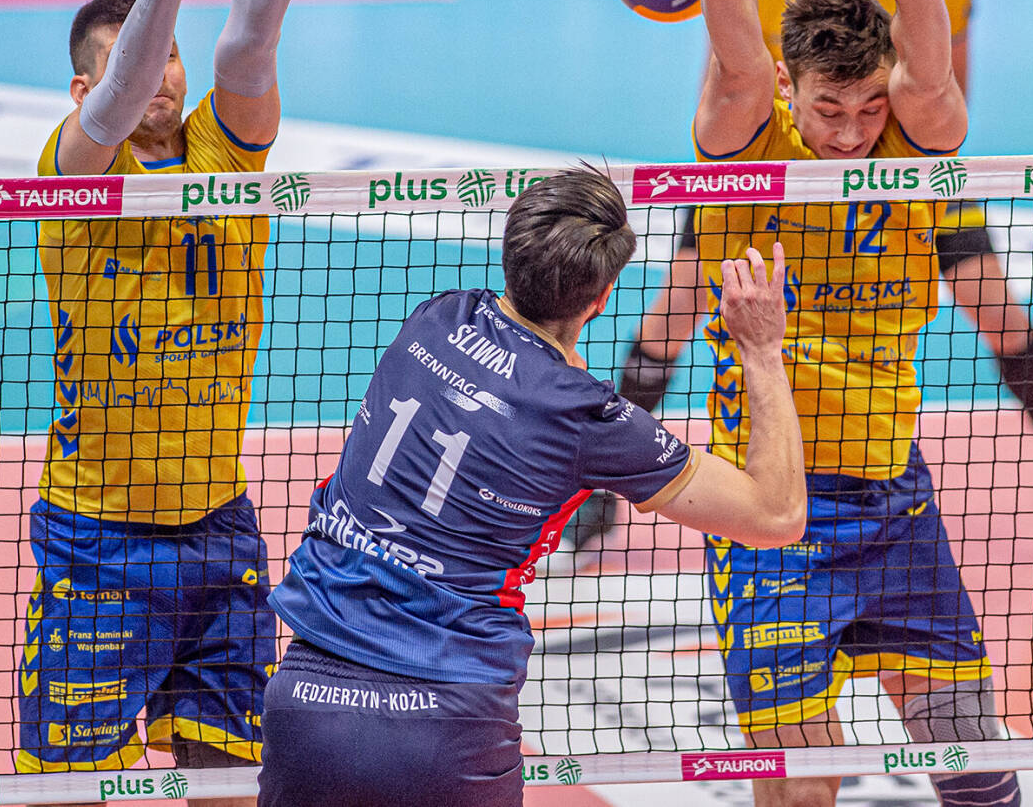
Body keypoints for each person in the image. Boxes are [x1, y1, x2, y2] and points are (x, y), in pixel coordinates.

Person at [601, 0, 1033, 565]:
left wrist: (891, 134)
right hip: (768, 171)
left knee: (1002, 318)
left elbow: (941, 97)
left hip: (897, 169)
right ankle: (601, 494)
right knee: (668, 319)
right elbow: (731, 80)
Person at [258, 167, 807, 807]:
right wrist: (761, 350)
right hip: (448, 719)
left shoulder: (435, 319)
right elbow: (777, 516)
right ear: (602, 297)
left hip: (307, 701)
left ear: (511, 254)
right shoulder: (585, 418)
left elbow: (517, 378)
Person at [15, 0, 342, 801]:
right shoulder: (74, 174)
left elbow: (249, 43)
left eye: (165, 55)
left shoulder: (222, 151)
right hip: (99, 536)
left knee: (235, 781)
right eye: (130, 60)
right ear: (80, 90)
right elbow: (118, 102)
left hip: (219, 530)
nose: (156, 75)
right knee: (71, 791)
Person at [682, 0, 1021, 806]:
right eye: (828, 110)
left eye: (868, 108)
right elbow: (737, 71)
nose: (848, 135)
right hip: (770, 513)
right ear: (789, 89)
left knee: (975, 762)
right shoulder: (749, 150)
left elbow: (932, 84)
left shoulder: (910, 150)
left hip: (894, 501)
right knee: (802, 786)